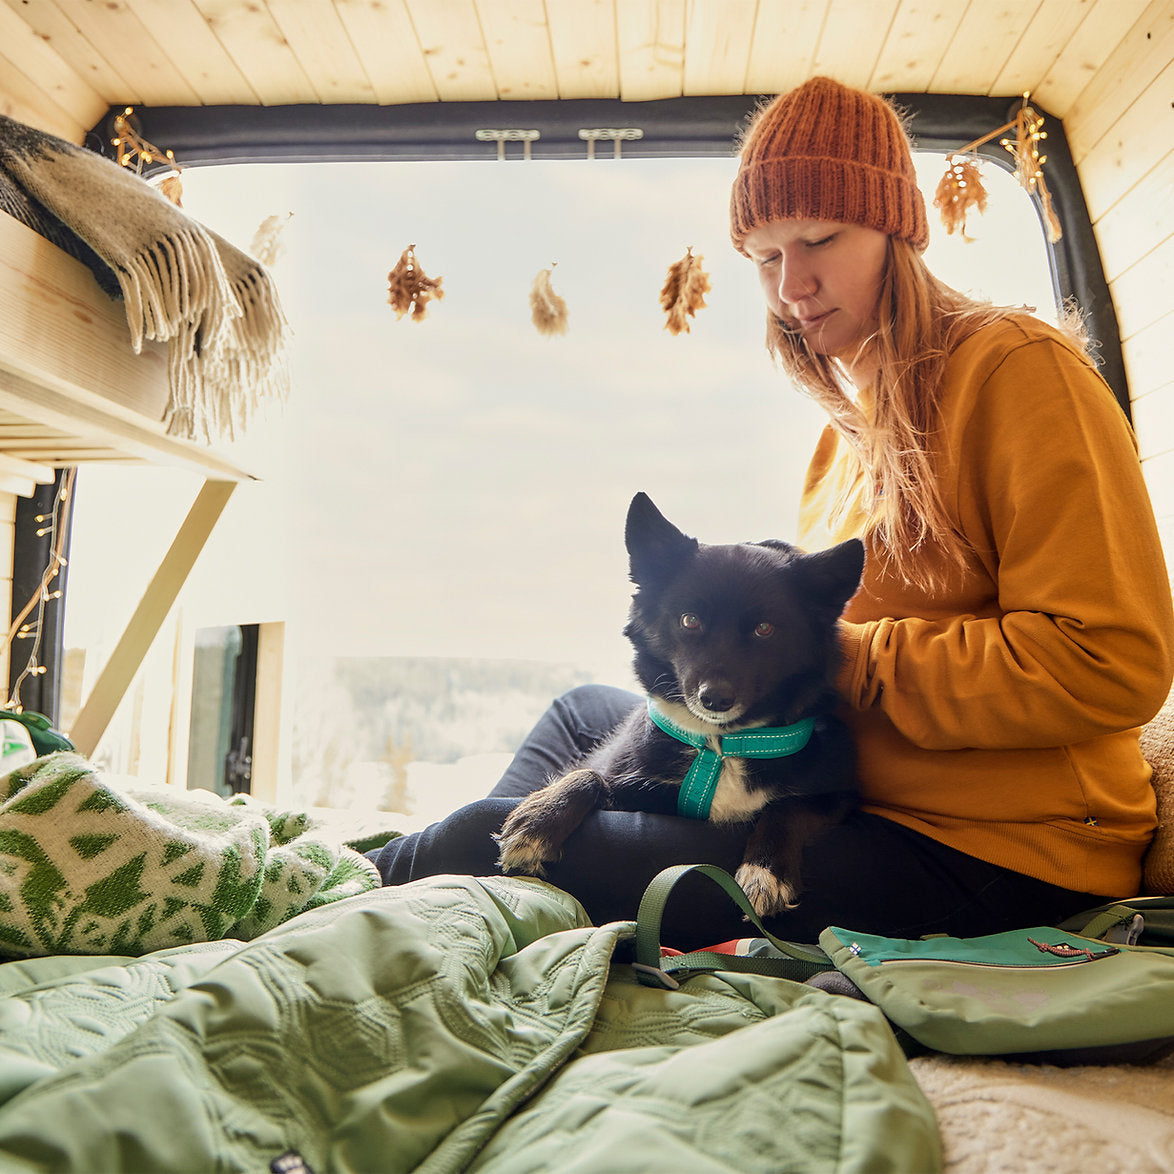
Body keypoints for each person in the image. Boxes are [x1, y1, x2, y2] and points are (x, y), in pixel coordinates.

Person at [368, 77, 1174, 950]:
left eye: (820, 239)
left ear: (898, 229)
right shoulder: (845, 436)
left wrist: (848, 662)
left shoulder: (1019, 373)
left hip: (990, 852)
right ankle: (479, 910)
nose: (792, 284)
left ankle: (355, 890)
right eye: (763, 255)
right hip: (827, 781)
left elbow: (1113, 659)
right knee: (578, 719)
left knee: (464, 834)